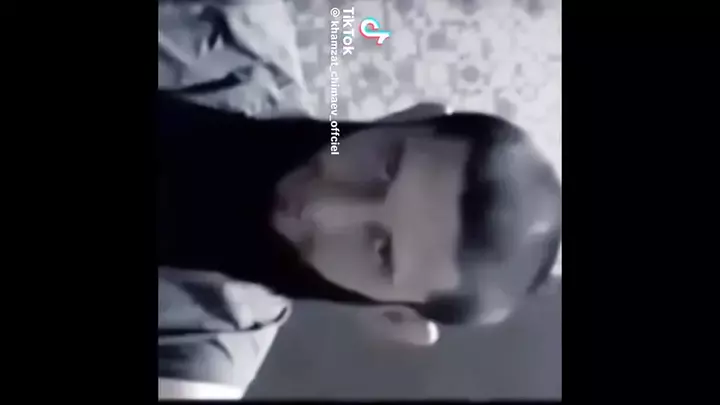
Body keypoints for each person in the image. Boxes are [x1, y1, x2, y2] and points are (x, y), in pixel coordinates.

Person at [156, 92, 562, 399]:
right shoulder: (227, 37)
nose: (319, 208)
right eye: (386, 167)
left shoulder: (195, 358)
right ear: (409, 116)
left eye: (381, 251)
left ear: (394, 313)